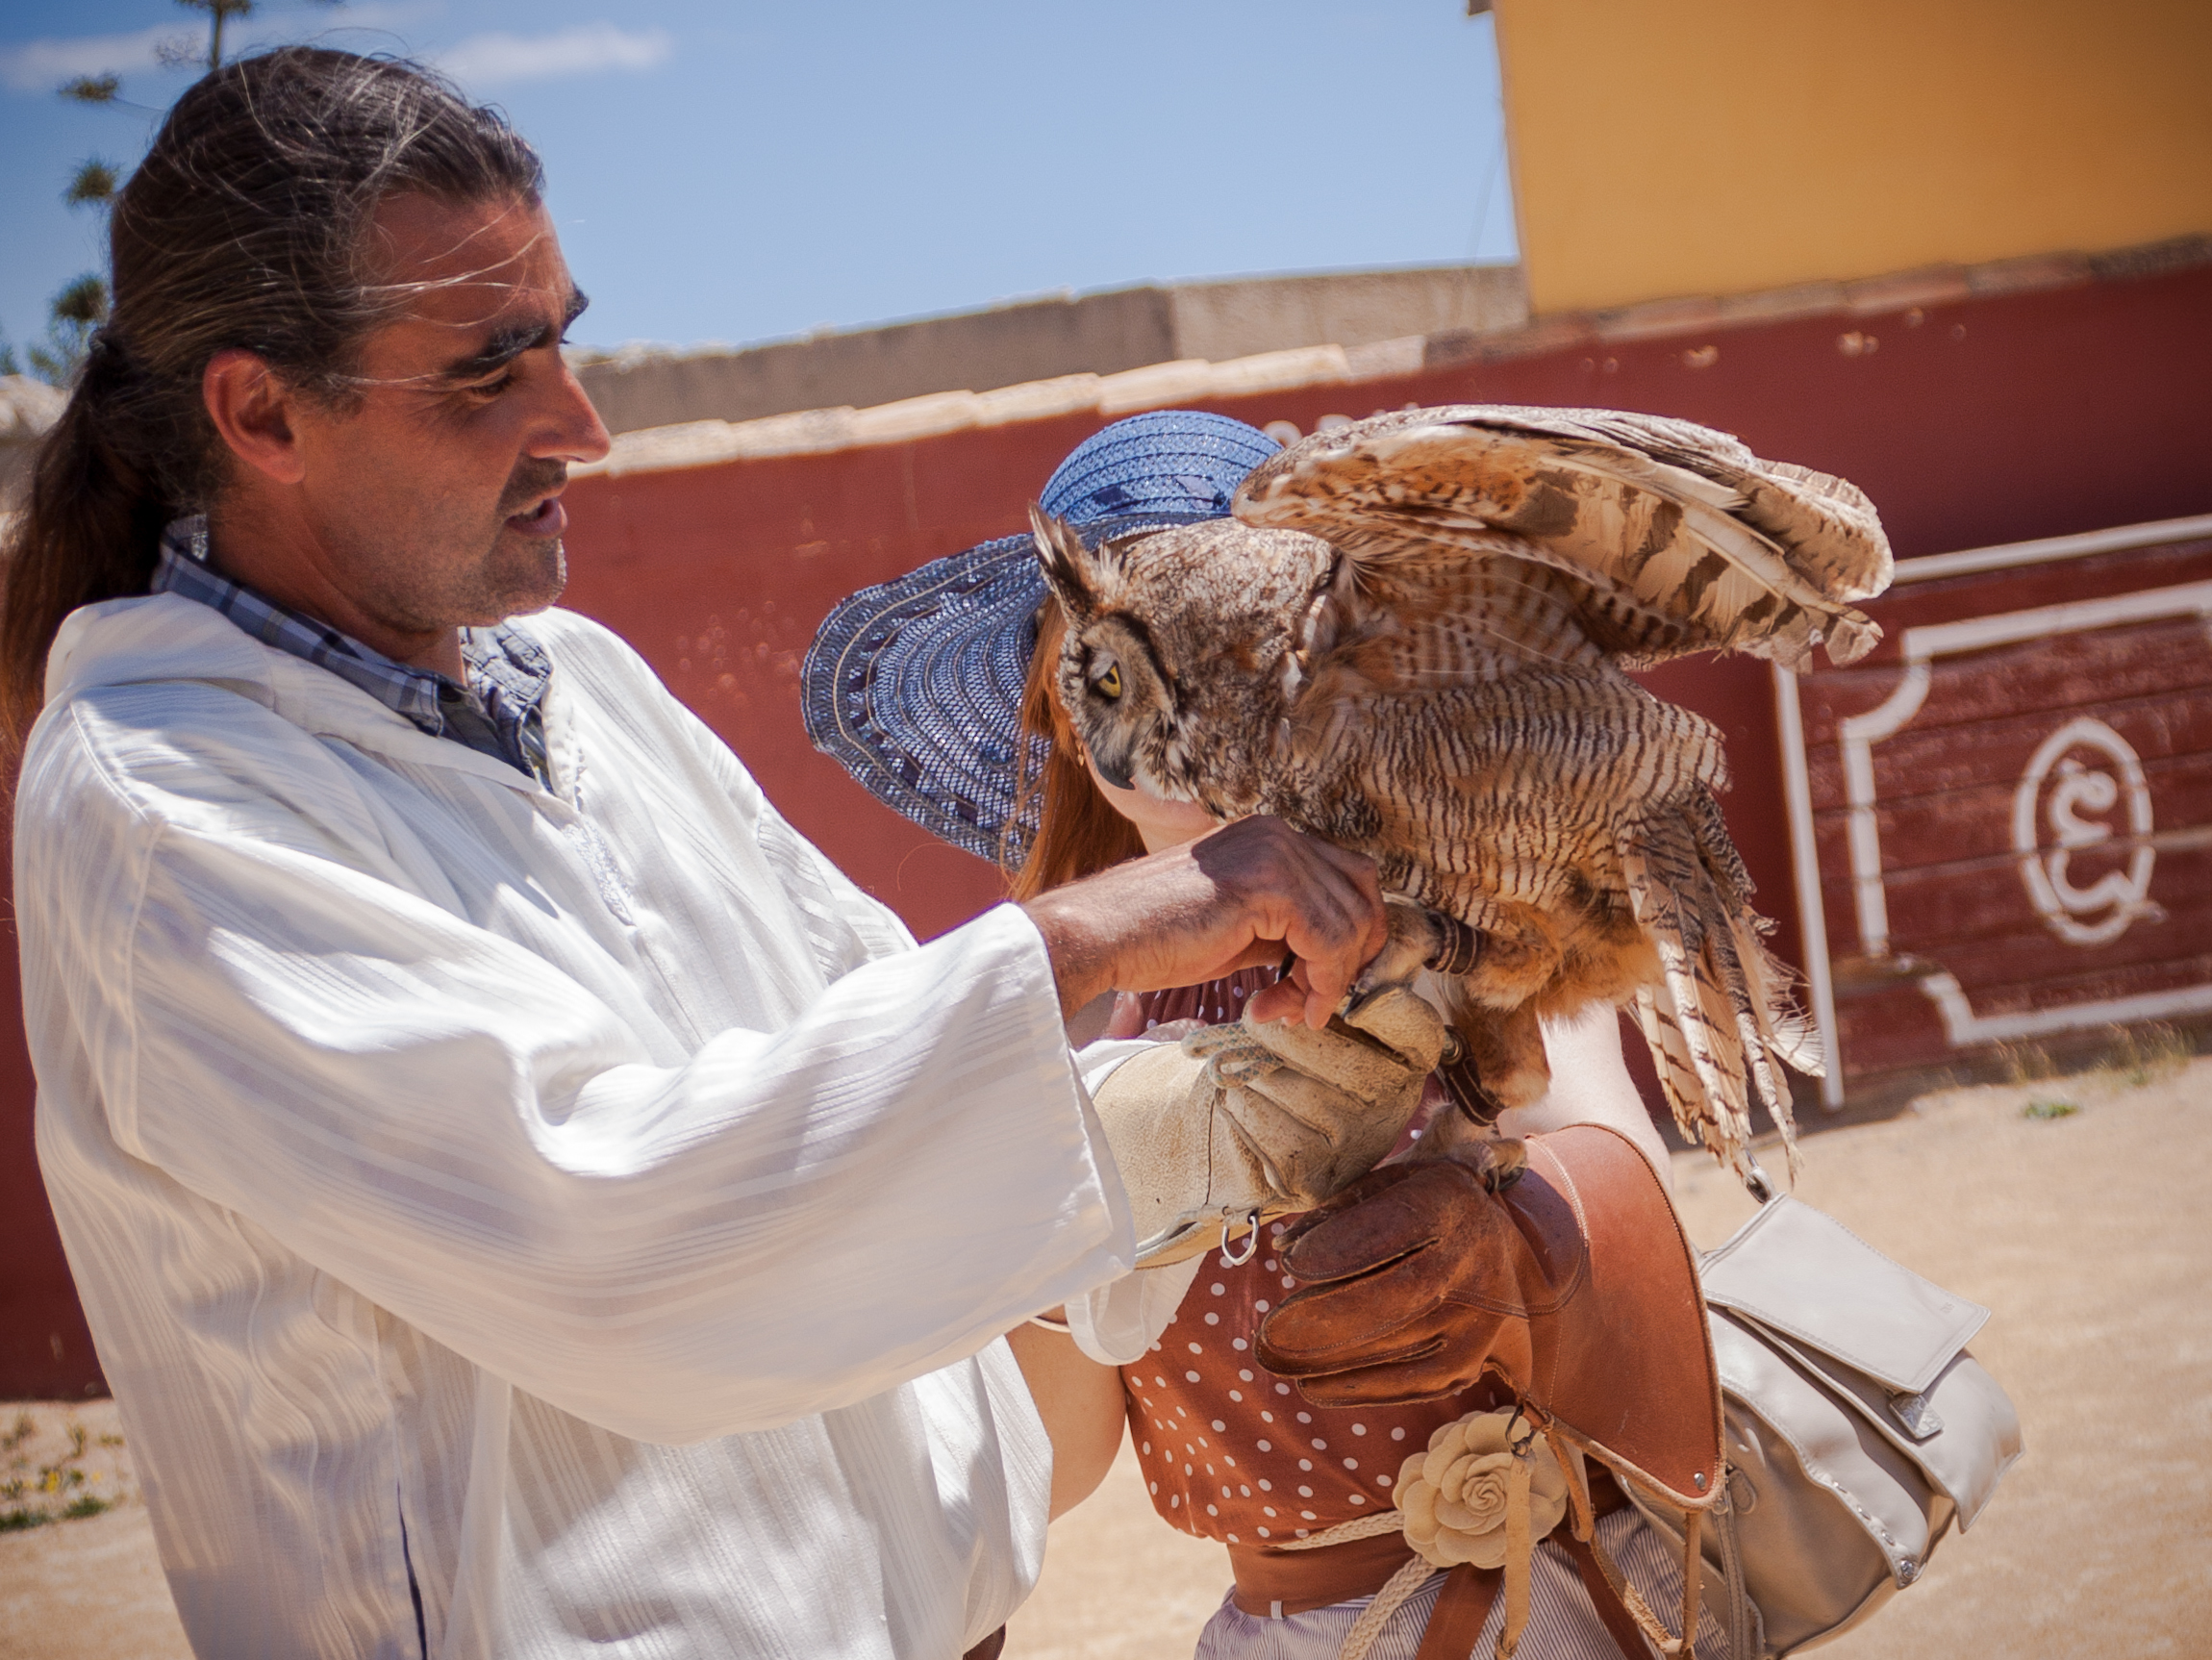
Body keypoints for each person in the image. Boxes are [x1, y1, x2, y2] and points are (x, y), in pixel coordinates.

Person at [7, 53, 1412, 1659]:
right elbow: (608, 1230)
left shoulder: (576, 681)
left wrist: (1248, 1120)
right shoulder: (167, 814)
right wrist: (1091, 939)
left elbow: (860, 1058)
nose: (582, 426)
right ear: (262, 412)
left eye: (563, 337)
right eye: (488, 373)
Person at [808, 411, 1728, 1658]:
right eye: (1134, 658)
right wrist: (1005, 1277)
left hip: (1551, 1592)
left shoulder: (1470, 905)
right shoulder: (1062, 1012)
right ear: (1067, 705)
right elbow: (1067, 1448)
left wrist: (1519, 1247)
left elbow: (1628, 1185)